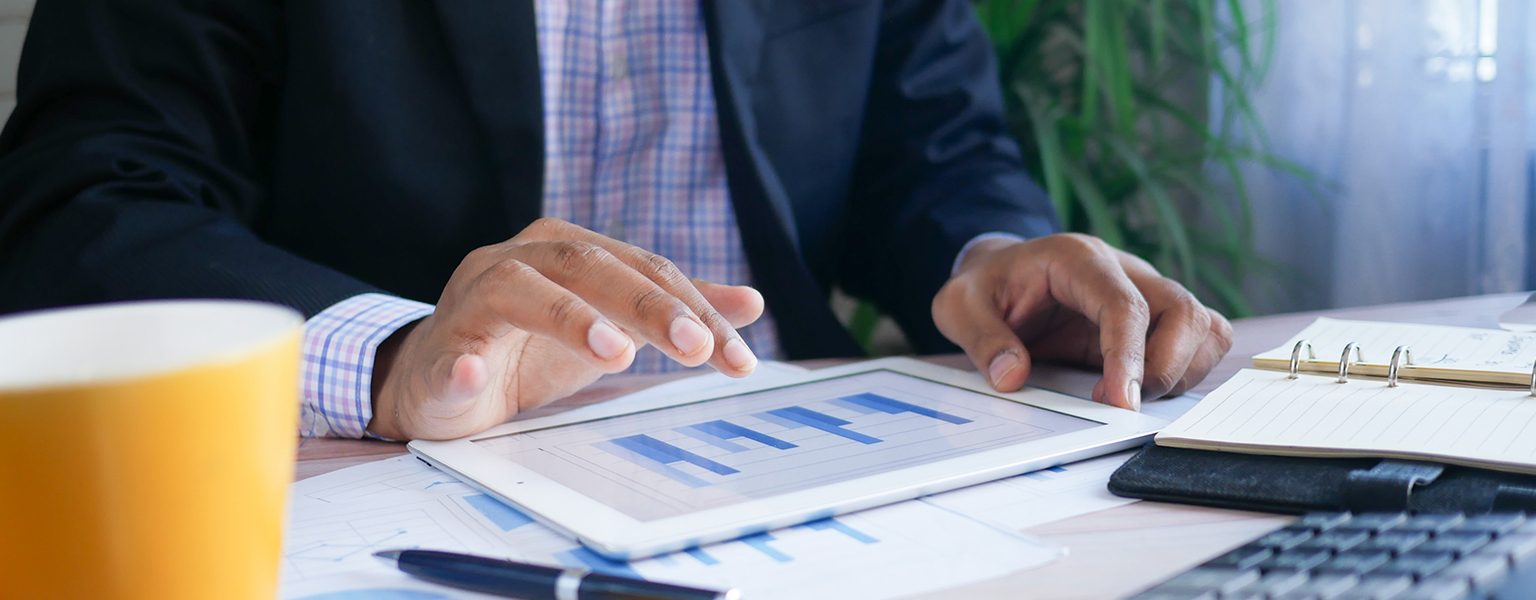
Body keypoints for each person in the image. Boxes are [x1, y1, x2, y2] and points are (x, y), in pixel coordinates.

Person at [0, 0, 1232, 441]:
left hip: (801, 459)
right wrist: (391, 353)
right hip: (405, 474)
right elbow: (80, 204)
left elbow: (930, 144)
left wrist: (995, 254)